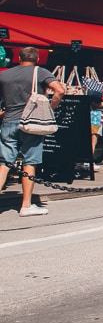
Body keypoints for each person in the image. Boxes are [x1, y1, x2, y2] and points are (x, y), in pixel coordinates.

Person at [0, 47, 67, 216]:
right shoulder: (40, 72)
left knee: (4, 163)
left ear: (18, 58)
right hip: (32, 123)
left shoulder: (5, 74)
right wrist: (50, 108)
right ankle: (26, 205)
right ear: (37, 59)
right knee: (30, 161)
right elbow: (60, 90)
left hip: (8, 121)